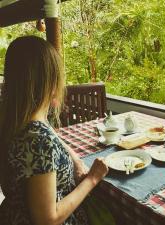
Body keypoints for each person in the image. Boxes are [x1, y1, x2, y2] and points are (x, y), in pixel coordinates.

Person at [0, 36, 109, 225]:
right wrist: (92, 179)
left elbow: (49, 133)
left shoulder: (15, 121)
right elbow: (47, 219)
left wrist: (74, 159)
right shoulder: (39, 141)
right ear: (49, 82)